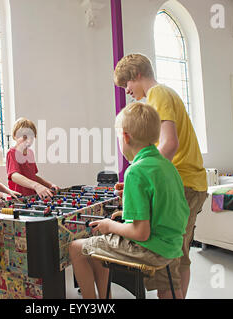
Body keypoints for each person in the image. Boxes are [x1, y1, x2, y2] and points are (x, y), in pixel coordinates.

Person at [69, 102, 190, 299]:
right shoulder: (166, 165)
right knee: (98, 245)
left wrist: (109, 225)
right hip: (173, 246)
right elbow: (164, 206)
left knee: (76, 248)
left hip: (150, 249)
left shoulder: (135, 171)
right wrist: (126, 204)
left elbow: (140, 232)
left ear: (125, 136)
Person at [113, 53, 208, 298]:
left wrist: (144, 179)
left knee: (165, 260)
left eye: (127, 84)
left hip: (183, 182)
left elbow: (169, 145)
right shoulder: (163, 95)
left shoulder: (158, 94)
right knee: (179, 254)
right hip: (188, 181)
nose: (128, 91)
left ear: (137, 74)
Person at [6, 117, 59, 199]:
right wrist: (36, 186)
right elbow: (14, 176)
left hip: (32, 197)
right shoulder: (12, 153)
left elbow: (32, 176)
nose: (29, 141)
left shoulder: (30, 153)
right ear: (15, 136)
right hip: (19, 199)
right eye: (24, 137)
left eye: (31, 137)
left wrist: (49, 185)